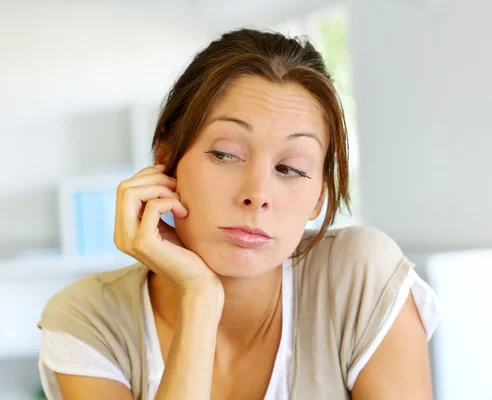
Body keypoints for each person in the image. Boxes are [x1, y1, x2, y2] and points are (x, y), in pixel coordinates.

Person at [37, 28, 441, 399]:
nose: (257, 194)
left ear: (319, 194)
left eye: (290, 169)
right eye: (226, 154)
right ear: (167, 159)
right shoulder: (87, 320)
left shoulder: (360, 276)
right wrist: (199, 297)